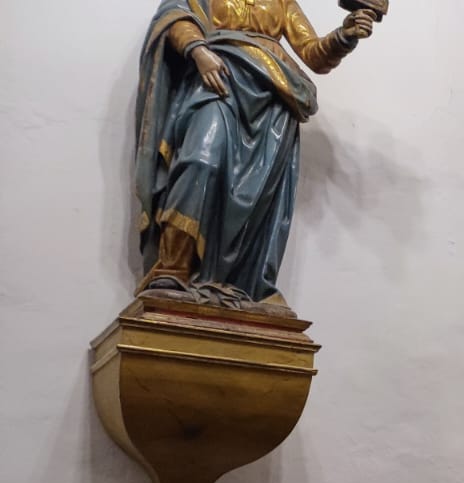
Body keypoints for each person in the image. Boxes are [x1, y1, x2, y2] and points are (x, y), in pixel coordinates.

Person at [134, 0, 379, 312]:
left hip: (272, 96)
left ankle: (238, 282)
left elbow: (313, 54)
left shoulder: (282, 2)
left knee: (258, 193)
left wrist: (345, 36)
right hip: (218, 79)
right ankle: (173, 268)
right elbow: (174, 15)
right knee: (198, 160)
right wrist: (197, 50)